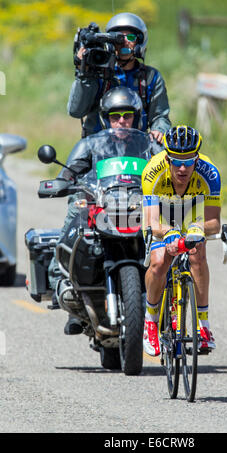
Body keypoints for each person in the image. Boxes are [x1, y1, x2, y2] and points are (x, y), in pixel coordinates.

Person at [48, 86, 149, 334]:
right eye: (115, 117)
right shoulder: (91, 144)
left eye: (127, 115)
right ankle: (61, 282)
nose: (122, 122)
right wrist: (64, 184)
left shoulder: (148, 145)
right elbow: (67, 174)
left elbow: (166, 171)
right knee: (75, 213)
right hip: (100, 205)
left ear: (136, 116)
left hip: (136, 207)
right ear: (106, 118)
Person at [142, 125, 221, 356]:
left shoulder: (210, 173)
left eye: (189, 160)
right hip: (163, 214)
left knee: (198, 254)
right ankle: (151, 321)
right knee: (159, 261)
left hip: (192, 212)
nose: (183, 167)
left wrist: (197, 228)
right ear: (167, 158)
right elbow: (151, 224)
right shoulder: (152, 171)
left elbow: (214, 222)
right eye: (177, 161)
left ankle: (203, 326)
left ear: (197, 157)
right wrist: (168, 233)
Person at [68, 12, 171, 142]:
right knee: (72, 163)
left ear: (140, 41)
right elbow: (76, 111)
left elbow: (160, 116)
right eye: (117, 37)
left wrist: (159, 130)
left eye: (131, 37)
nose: (124, 42)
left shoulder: (151, 77)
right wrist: (84, 73)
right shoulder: (97, 74)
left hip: (137, 150)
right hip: (97, 148)